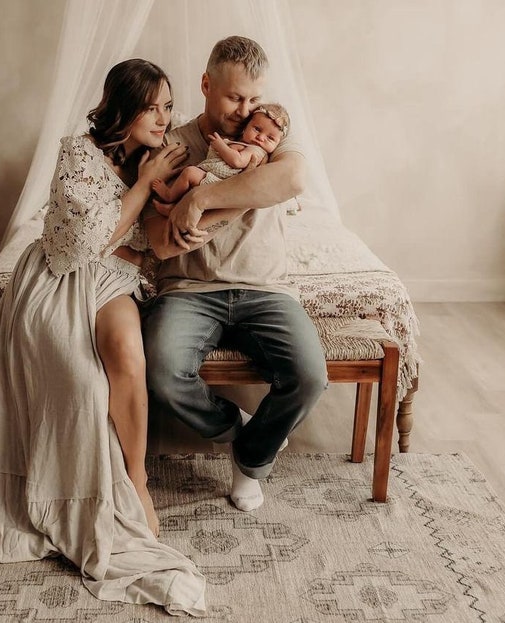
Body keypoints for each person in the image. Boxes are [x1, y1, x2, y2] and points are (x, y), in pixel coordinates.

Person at [0, 59, 206, 616]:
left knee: (126, 354)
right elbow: (84, 242)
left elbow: (146, 242)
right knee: (79, 381)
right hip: (58, 273)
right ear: (123, 108)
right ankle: (58, 491)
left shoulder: (164, 156)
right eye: (153, 106)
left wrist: (183, 218)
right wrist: (138, 186)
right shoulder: (76, 153)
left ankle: (136, 482)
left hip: (119, 274)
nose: (164, 117)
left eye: (168, 106)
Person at [142, 37, 328, 513]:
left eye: (253, 98)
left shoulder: (272, 136)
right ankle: (237, 431)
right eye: (234, 97)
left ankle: (249, 461)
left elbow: (292, 181)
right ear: (206, 85)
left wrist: (201, 201)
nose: (246, 111)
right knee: (163, 372)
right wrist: (189, 209)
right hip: (189, 289)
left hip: (265, 288)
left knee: (308, 376)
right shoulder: (173, 144)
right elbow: (161, 240)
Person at [150, 103, 290, 207]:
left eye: (270, 138)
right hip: (213, 175)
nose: (261, 138)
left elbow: (237, 161)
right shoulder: (243, 142)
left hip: (220, 184)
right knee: (189, 185)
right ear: (246, 127)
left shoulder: (256, 151)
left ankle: (169, 195)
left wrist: (221, 145)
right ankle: (172, 209)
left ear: (278, 143)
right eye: (257, 129)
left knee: (189, 173)